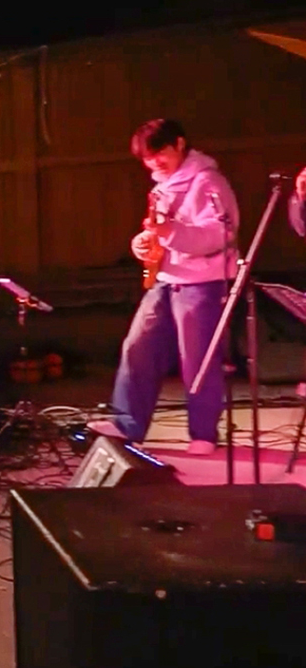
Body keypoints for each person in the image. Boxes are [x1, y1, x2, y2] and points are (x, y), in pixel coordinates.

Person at [88, 119, 239, 453]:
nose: (154, 162)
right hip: (166, 280)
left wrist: (169, 232)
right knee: (137, 347)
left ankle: (203, 434)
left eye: (160, 153)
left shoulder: (208, 181)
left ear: (180, 144)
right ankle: (127, 423)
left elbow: (220, 235)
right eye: (147, 157)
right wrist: (142, 244)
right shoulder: (162, 186)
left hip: (203, 281)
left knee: (198, 359)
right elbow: (157, 232)